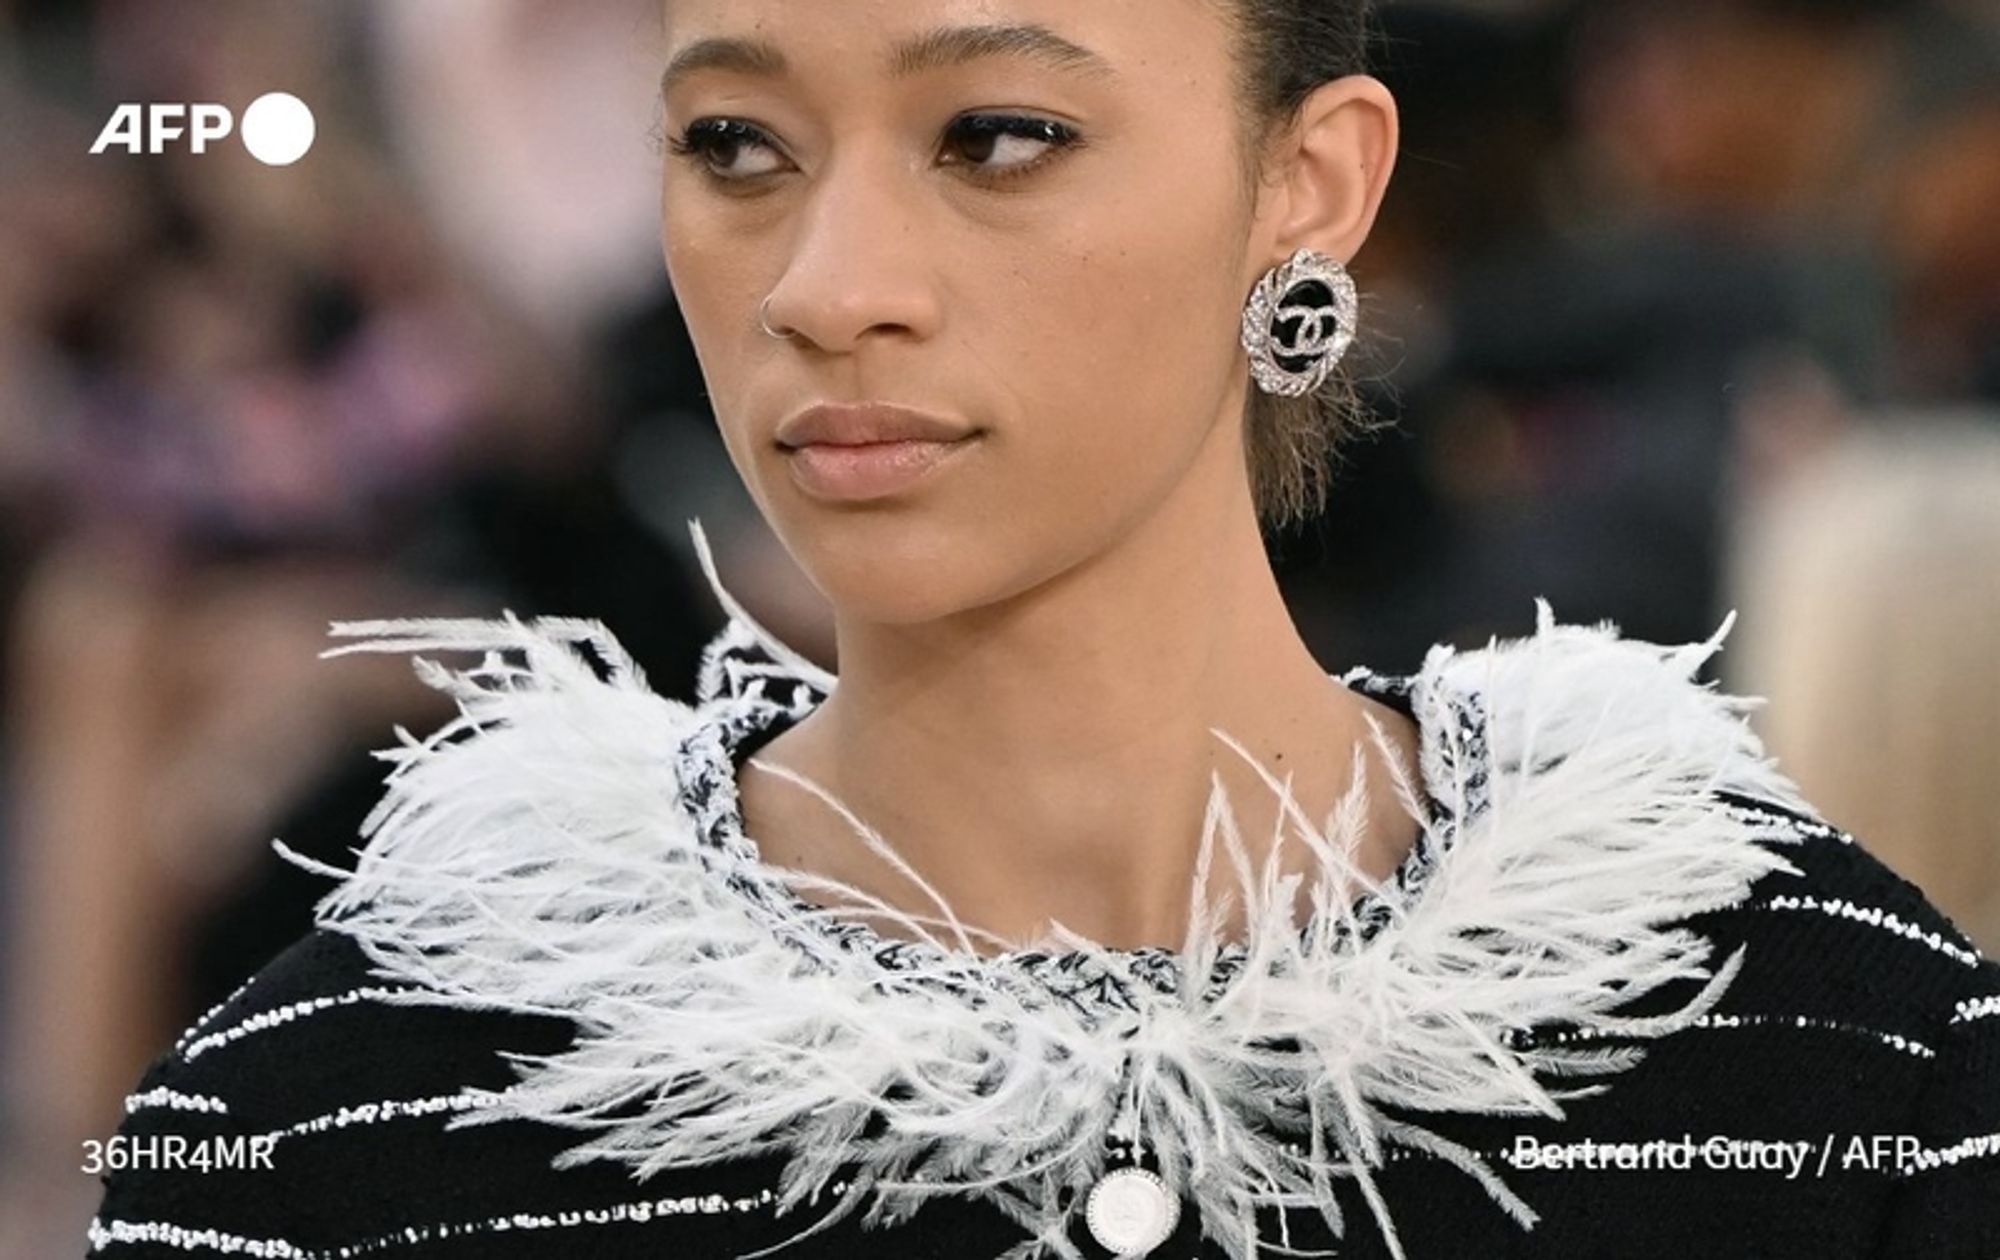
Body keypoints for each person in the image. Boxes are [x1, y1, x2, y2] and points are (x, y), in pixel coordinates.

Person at [89, 2, 1998, 1257]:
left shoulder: (1813, 1040)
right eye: (737, 147)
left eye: (998, 136)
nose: (829, 289)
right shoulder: (334, 1114)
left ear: (1306, 182)